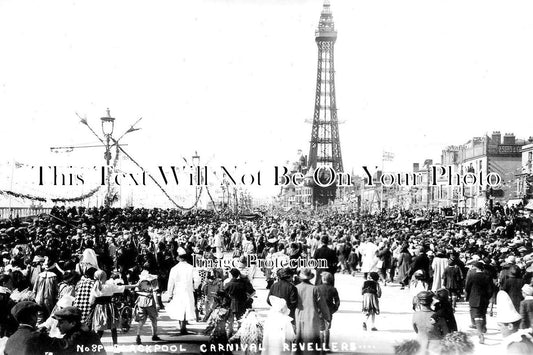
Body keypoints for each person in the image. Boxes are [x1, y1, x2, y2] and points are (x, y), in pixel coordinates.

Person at [89, 270, 137, 347]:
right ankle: (115, 345)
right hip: (109, 308)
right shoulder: (109, 286)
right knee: (113, 328)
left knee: (100, 328)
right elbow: (122, 287)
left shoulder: (94, 288)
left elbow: (91, 301)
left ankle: (96, 345)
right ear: (105, 277)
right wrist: (135, 285)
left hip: (99, 309)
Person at [4, 301, 68, 355]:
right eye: (37, 315)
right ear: (32, 317)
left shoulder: (10, 339)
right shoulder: (37, 337)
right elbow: (63, 345)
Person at [294, 267, 331, 355]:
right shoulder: (315, 289)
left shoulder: (296, 288)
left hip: (298, 316)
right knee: (312, 342)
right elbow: (323, 305)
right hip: (312, 317)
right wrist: (327, 318)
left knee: (299, 340)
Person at [167, 247, 201, 335]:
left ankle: (181, 326)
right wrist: (195, 287)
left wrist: (169, 294)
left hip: (177, 290)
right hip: (188, 290)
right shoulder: (191, 268)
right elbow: (197, 279)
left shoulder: (174, 269)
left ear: (178, 258)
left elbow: (171, 283)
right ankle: (183, 327)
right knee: (186, 308)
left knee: (180, 307)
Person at [465, 261, 494, 344]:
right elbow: (490, 289)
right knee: (483, 313)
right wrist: (487, 297)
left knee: (477, 316)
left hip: (474, 298)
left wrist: (469, 296)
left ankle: (480, 334)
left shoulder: (472, 276)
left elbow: (467, 288)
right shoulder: (487, 276)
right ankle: (484, 327)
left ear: (476, 267)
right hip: (484, 298)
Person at [224, 268, 255, 337]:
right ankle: (240, 335)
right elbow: (253, 292)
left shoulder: (228, 284)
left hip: (231, 304)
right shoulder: (243, 283)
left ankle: (229, 336)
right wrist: (247, 297)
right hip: (242, 303)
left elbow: (224, 295)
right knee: (240, 321)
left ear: (231, 275)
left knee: (230, 322)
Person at [134, 271, 161, 345]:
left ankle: (138, 335)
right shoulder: (154, 280)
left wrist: (143, 293)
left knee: (141, 320)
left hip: (141, 301)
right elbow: (155, 292)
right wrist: (157, 303)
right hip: (150, 302)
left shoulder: (140, 280)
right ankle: (154, 335)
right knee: (153, 319)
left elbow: (136, 291)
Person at [316, 271, 339, 348]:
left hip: (319, 311)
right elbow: (337, 301)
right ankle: (326, 345)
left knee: (320, 329)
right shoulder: (333, 289)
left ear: (322, 279)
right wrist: (334, 309)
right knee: (327, 328)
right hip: (329, 311)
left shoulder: (317, 288)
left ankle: (320, 345)